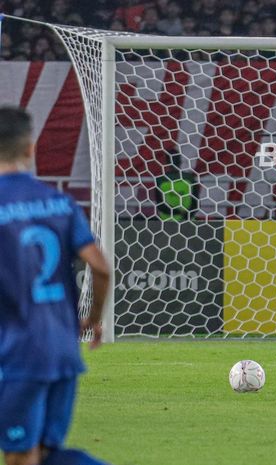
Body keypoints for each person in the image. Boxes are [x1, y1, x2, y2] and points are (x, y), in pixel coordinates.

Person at [0, 107, 112, 465]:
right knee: (47, 456)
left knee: (20, 457)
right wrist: (92, 318)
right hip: (62, 347)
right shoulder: (60, 203)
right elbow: (100, 267)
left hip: (18, 351)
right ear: (30, 148)